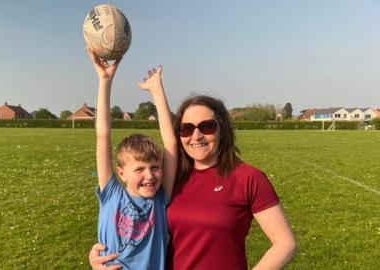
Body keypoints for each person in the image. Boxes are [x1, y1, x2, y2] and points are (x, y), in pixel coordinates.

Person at [89, 95, 296, 270]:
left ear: (222, 129)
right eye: (186, 128)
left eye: (206, 126)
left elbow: (285, 244)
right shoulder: (174, 179)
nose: (196, 135)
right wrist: (99, 254)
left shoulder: (248, 178)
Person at [87, 47, 177, 270]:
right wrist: (105, 80)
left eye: (155, 167)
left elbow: (171, 144)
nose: (149, 176)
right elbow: (103, 134)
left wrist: (156, 90)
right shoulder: (111, 195)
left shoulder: (159, 199)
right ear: (121, 173)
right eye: (139, 169)